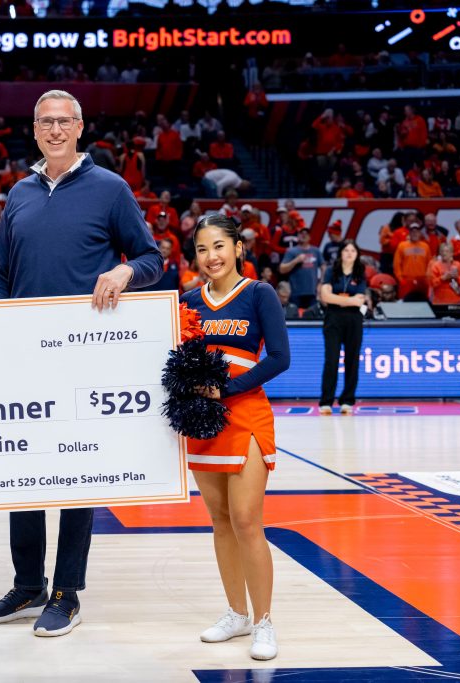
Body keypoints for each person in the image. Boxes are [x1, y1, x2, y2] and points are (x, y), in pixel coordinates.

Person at [0, 89, 163, 637]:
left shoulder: (110, 188)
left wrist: (125, 273)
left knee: (76, 471)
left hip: (86, 358)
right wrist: (0, 324)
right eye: (45, 122)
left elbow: (152, 258)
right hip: (25, 359)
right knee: (25, 470)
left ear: (79, 127)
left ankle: (67, 592)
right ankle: (28, 584)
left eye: (64, 121)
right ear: (34, 130)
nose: (55, 130)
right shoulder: (18, 192)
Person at [181, 213, 290, 661]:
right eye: (203, 249)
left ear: (238, 248)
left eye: (219, 246)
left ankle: (264, 623)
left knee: (247, 520)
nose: (211, 257)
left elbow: (280, 358)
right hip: (203, 421)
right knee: (221, 520)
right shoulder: (188, 300)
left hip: (245, 414)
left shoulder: (259, 294)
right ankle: (236, 613)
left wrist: (226, 387)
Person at [318, 240, 366, 415]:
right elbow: (325, 296)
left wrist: (337, 298)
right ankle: (326, 401)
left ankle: (347, 400)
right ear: (340, 253)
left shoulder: (360, 272)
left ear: (357, 254)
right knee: (331, 359)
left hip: (354, 319)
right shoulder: (331, 271)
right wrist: (349, 301)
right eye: (346, 249)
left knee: (352, 360)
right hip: (333, 318)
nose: (349, 253)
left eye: (353, 250)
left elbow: (360, 300)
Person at [279, 227, 322, 310]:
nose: (304, 235)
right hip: (295, 292)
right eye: (301, 234)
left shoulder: (316, 251)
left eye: (306, 234)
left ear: (310, 237)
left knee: (311, 318)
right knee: (295, 317)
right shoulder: (291, 251)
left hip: (312, 292)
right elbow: (282, 269)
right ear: (298, 236)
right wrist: (295, 261)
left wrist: (321, 283)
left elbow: (323, 266)